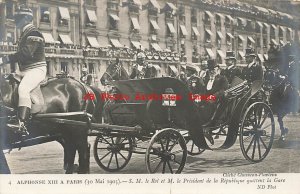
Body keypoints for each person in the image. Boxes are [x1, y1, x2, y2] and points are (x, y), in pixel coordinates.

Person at [0, 4, 47, 135]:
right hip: (25, 70)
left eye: (18, 18)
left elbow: (26, 54)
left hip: (36, 69)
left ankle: (21, 123)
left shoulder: (34, 33)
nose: (16, 22)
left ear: (26, 19)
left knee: (23, 89)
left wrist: (3, 60)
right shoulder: (26, 33)